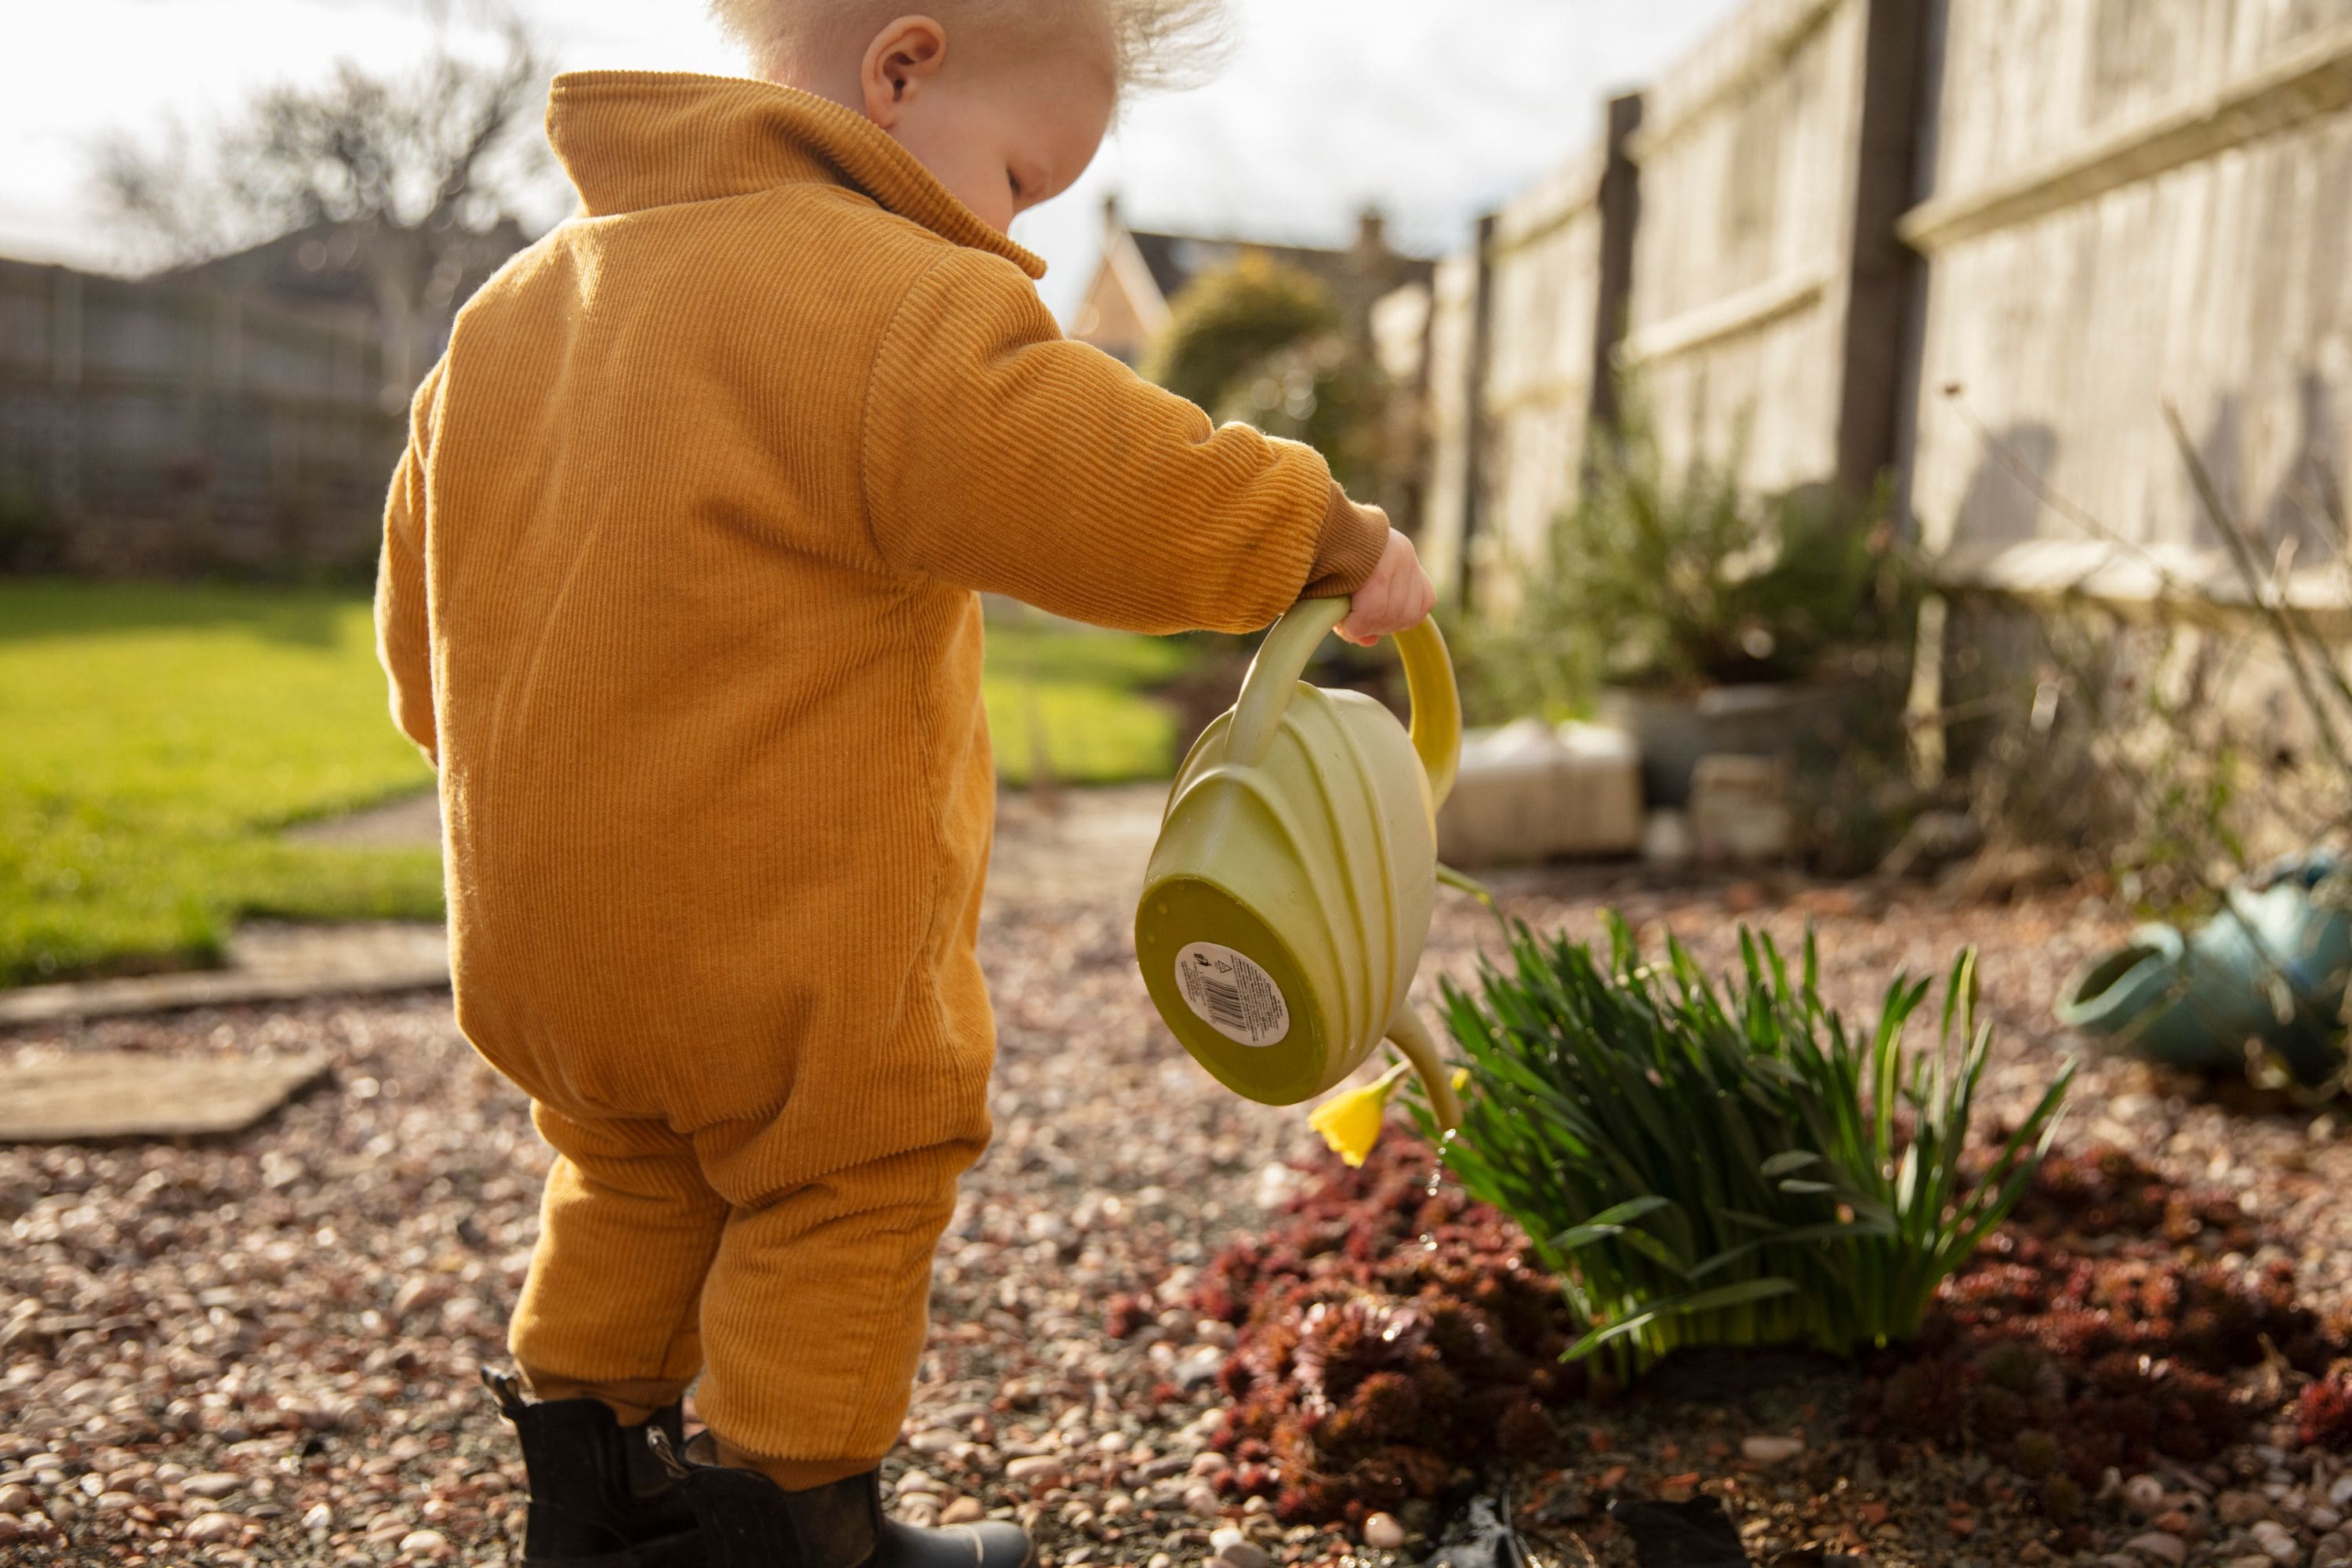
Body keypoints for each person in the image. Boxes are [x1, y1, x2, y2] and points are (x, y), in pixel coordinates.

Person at [373, 2, 1436, 1564]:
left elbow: (425, 639)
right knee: (848, 1163)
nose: (1019, 239)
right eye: (1019, 179)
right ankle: (804, 1526)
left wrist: (535, 791)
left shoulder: (510, 315)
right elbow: (1102, 480)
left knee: (627, 1169)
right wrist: (1325, 537)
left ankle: (597, 1509)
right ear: (902, 68)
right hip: (779, 929)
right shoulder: (883, 300)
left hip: (546, 937)